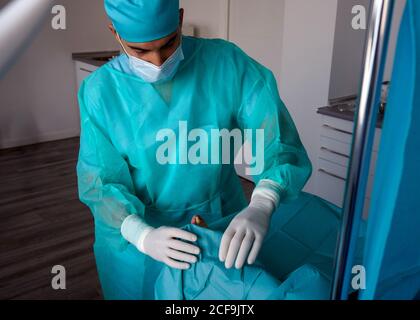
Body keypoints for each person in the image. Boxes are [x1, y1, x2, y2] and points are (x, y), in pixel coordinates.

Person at [76, 0, 312, 299]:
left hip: (221, 220)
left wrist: (264, 201)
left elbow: (275, 135)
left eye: (168, 43)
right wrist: (142, 235)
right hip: (139, 239)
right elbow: (100, 181)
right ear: (115, 32)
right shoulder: (101, 92)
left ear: (180, 18)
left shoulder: (226, 63)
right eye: (140, 51)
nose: (157, 62)